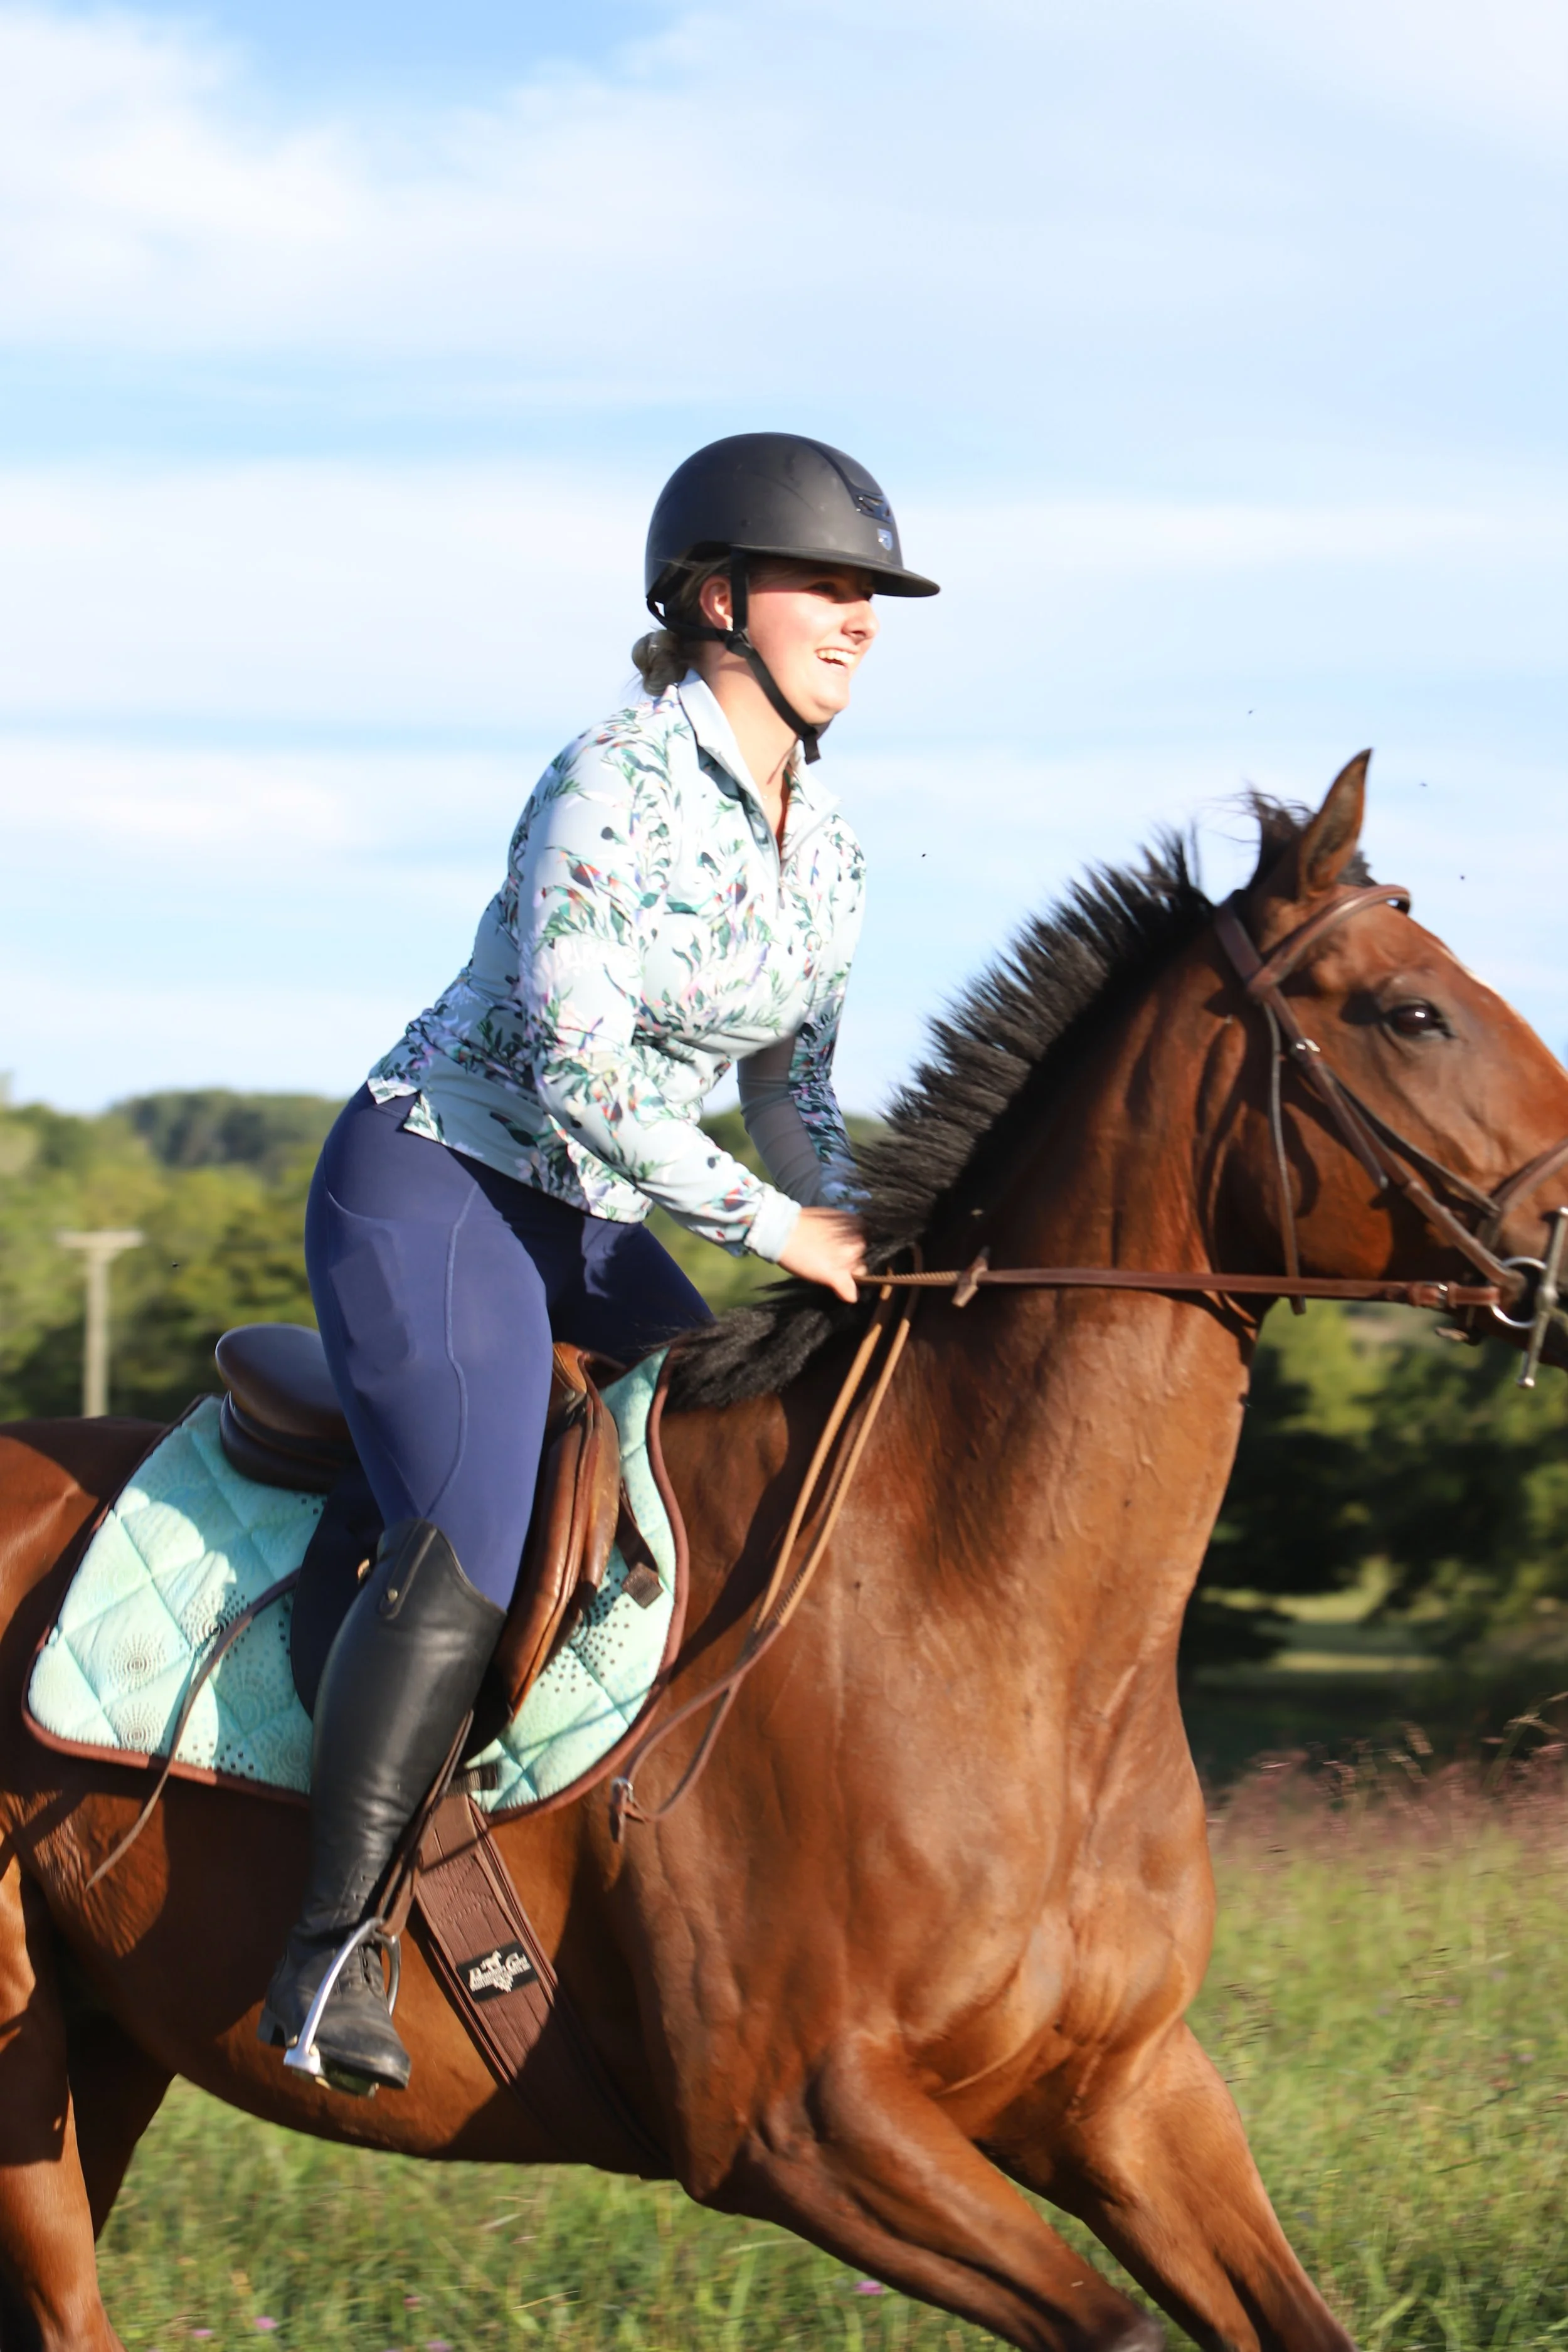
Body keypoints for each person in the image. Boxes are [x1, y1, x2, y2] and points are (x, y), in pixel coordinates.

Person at [258, 431, 940, 2093]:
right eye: (828, 587)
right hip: (438, 1182)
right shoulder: (606, 784)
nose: (861, 620)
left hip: (590, 1214)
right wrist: (777, 1229)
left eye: (875, 596)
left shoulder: (828, 844)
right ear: (716, 600)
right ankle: (327, 1942)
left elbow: (791, 1096)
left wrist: (854, 1228)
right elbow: (582, 1077)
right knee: (475, 1535)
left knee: (709, 1485)